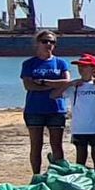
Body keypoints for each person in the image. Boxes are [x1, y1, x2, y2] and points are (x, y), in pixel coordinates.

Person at [20, 31, 71, 174]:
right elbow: (28, 86)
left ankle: (59, 175)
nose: (48, 44)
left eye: (52, 42)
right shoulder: (29, 64)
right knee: (36, 145)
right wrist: (54, 85)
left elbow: (66, 82)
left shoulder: (61, 63)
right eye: (45, 41)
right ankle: (36, 175)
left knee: (57, 145)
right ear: (37, 43)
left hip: (56, 109)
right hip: (34, 109)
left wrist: (43, 82)